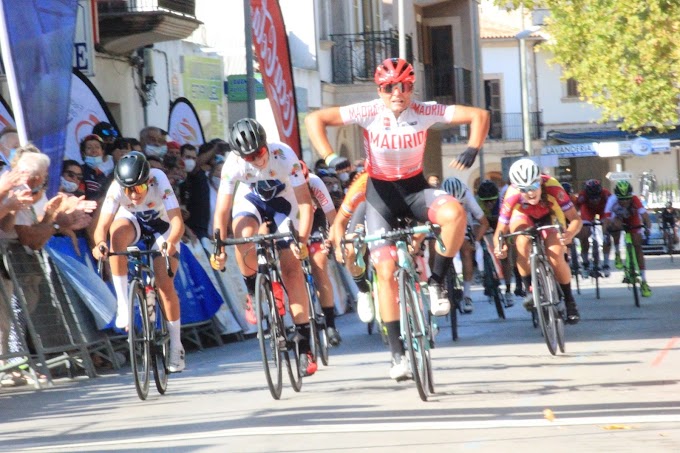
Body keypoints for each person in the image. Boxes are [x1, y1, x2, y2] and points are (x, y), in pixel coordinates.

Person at [305, 57, 489, 380]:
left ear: (411, 88)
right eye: (389, 87)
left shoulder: (425, 111)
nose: (397, 93)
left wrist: (473, 147)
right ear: (380, 90)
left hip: (415, 190)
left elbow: (479, 115)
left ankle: (436, 284)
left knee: (455, 214)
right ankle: (396, 356)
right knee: (386, 271)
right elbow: (315, 119)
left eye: (403, 86)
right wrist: (330, 156)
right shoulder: (368, 111)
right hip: (380, 197)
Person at [211, 118, 318, 377]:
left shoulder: (283, 154)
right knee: (242, 235)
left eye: (259, 153)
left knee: (292, 271)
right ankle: (252, 292)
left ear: (265, 145)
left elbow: (305, 203)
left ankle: (304, 346)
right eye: (249, 157)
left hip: (285, 204)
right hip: (251, 202)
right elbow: (222, 209)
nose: (256, 160)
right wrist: (218, 246)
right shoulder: (233, 164)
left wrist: (301, 240)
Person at [91, 151, 187, 372]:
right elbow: (101, 228)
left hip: (163, 228)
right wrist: (99, 245)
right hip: (133, 222)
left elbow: (177, 222)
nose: (134, 195)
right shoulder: (117, 187)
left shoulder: (159, 179)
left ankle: (176, 345)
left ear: (147, 181)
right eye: (129, 190)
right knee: (115, 236)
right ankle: (124, 304)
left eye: (140, 188)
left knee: (164, 284)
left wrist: (171, 242)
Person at [493, 159, 583, 325]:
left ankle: (569, 301)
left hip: (550, 213)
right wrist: (500, 246)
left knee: (555, 255)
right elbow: (500, 229)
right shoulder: (512, 195)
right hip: (524, 215)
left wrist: (569, 233)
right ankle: (530, 290)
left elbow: (576, 219)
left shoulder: (553, 186)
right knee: (521, 243)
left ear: (540, 181)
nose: (530, 193)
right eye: (524, 190)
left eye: (534, 187)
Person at [300, 161, 341, 346]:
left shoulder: (316, 183)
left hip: (317, 225)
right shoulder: (281, 186)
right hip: (294, 224)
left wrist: (333, 240)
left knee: (319, 267)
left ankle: (330, 324)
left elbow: (332, 218)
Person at [441, 177, 490, 313]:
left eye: (460, 204)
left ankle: (467, 295)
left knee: (466, 251)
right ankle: (439, 286)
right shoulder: (437, 198)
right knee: (436, 248)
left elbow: (484, 223)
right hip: (443, 222)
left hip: (463, 223)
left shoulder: (468, 197)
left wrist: (476, 241)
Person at [603, 180, 652, 297]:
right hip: (618, 218)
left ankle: (644, 281)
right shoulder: (612, 201)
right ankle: (617, 253)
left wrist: (647, 229)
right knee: (615, 226)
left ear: (631, 196)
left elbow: (646, 218)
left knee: (637, 246)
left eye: (627, 199)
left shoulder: (635, 200)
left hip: (632, 217)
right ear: (617, 197)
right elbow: (606, 220)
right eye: (621, 199)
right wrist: (605, 234)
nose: (624, 201)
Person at [477, 179, 517, 303]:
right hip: (484, 223)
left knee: (505, 256)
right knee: (477, 242)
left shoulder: (502, 202)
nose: (489, 204)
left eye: (492, 201)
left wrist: (509, 238)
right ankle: (485, 274)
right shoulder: (477, 202)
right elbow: (475, 222)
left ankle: (509, 289)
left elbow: (508, 224)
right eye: (486, 202)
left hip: (501, 223)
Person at [575, 179, 614, 277]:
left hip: (603, 210)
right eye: (592, 197)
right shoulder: (582, 195)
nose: (595, 200)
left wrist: (609, 224)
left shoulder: (606, 193)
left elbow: (612, 207)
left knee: (606, 234)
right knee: (584, 234)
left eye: (597, 197)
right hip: (588, 211)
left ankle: (606, 263)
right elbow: (576, 208)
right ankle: (585, 263)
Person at [80, 134, 112, 201]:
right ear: (83, 153)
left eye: (97, 147)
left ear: (103, 152)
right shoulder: (80, 171)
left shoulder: (102, 175)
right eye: (89, 148)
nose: (94, 150)